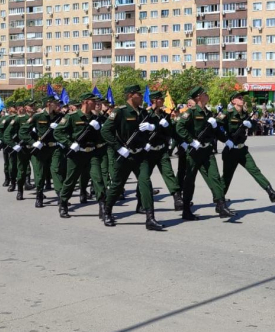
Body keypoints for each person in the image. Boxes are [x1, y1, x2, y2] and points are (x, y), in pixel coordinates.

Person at [101, 84, 164, 230]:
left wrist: (152, 128)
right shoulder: (120, 112)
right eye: (139, 95)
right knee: (117, 185)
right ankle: (107, 210)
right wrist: (119, 148)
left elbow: (156, 125)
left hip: (140, 155)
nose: (142, 97)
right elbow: (106, 131)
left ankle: (150, 218)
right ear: (131, 95)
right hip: (125, 156)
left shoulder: (143, 113)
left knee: (146, 183)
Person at [175, 86, 235, 220]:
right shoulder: (190, 112)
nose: (207, 95)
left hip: (207, 151)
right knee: (190, 181)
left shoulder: (208, 113)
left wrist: (226, 140)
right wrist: (191, 141)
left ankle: (221, 205)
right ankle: (186, 210)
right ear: (198, 97)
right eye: (204, 93)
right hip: (195, 152)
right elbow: (179, 127)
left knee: (215, 177)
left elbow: (215, 132)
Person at [220, 91, 275, 203]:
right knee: (227, 177)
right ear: (233, 101)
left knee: (255, 170)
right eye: (239, 97)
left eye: (242, 97)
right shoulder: (228, 114)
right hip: (230, 150)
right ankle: (219, 199)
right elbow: (216, 128)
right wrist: (226, 140)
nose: (242, 99)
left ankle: (271, 192)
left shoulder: (245, 115)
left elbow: (254, 126)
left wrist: (251, 124)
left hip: (242, 150)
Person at [54, 93, 106, 219]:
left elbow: (101, 137)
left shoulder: (96, 118)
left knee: (98, 179)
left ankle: (103, 207)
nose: (96, 104)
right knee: (71, 180)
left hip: (92, 153)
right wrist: (69, 144)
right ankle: (64, 203)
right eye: (93, 101)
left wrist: (99, 129)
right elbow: (58, 132)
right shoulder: (72, 116)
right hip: (77, 153)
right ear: (86, 102)